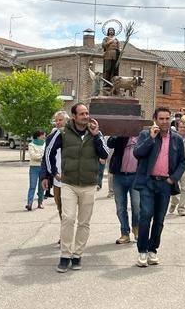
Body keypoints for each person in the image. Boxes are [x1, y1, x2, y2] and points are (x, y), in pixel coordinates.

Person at [41, 102, 108, 272]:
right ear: (74, 116)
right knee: (68, 219)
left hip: (89, 184)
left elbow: (105, 154)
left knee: (84, 223)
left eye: (87, 113)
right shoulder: (62, 132)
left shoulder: (95, 133)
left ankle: (77, 255)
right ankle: (65, 255)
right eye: (82, 114)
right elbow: (48, 152)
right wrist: (52, 172)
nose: (86, 116)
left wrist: (97, 135)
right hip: (69, 183)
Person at [133, 107, 185, 267]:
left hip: (165, 184)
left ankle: (152, 250)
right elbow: (137, 153)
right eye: (161, 118)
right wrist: (151, 138)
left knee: (159, 219)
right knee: (145, 215)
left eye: (167, 118)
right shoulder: (145, 134)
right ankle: (142, 251)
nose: (164, 121)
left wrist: (173, 178)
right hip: (148, 183)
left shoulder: (176, 139)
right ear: (155, 119)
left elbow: (183, 161)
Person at [107, 133, 141, 244]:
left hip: (136, 176)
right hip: (119, 175)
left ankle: (136, 228)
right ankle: (124, 232)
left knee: (136, 205)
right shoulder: (121, 134)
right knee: (120, 207)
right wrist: (121, 133)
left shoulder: (142, 136)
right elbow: (110, 143)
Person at [25, 130, 46, 211]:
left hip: (43, 167)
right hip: (34, 167)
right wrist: (42, 155)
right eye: (43, 135)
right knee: (32, 186)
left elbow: (46, 155)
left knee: (42, 187)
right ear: (38, 136)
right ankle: (29, 203)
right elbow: (33, 156)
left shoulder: (45, 144)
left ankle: (40, 203)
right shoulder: (31, 144)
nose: (44, 137)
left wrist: (39, 156)